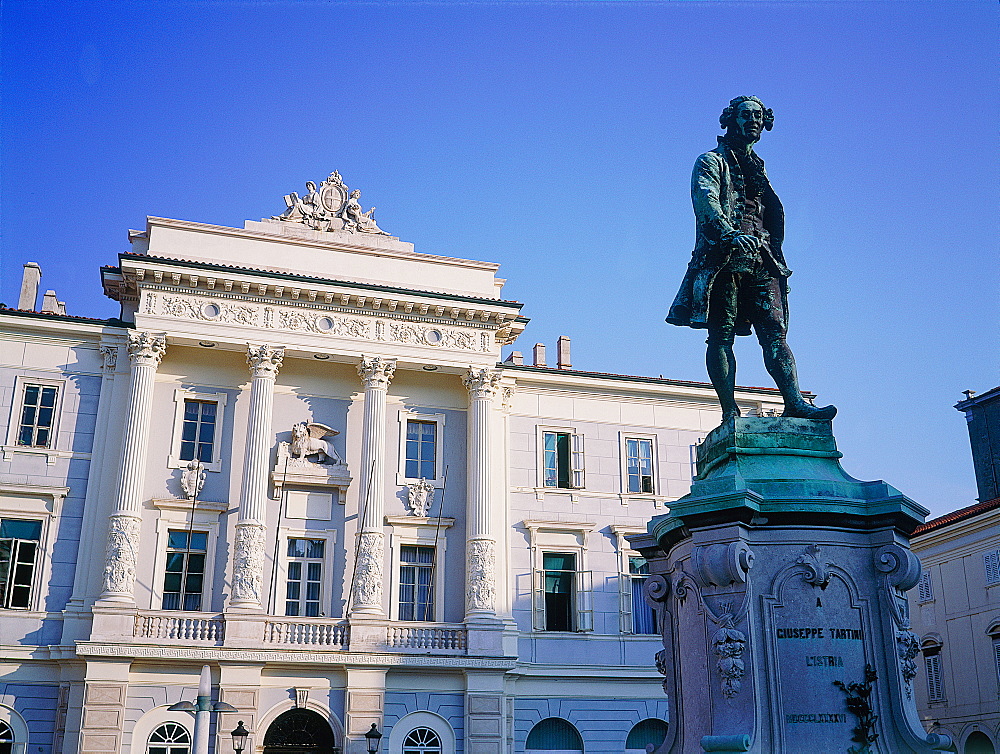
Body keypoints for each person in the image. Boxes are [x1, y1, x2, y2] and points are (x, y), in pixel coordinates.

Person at [666, 96, 836, 422]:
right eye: (747, 115)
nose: (754, 121)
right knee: (721, 333)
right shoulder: (710, 161)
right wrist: (730, 234)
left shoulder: (759, 166)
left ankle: (794, 401)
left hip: (763, 257)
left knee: (775, 333)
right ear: (731, 119)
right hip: (724, 258)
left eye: (759, 116)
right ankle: (729, 411)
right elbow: (706, 202)